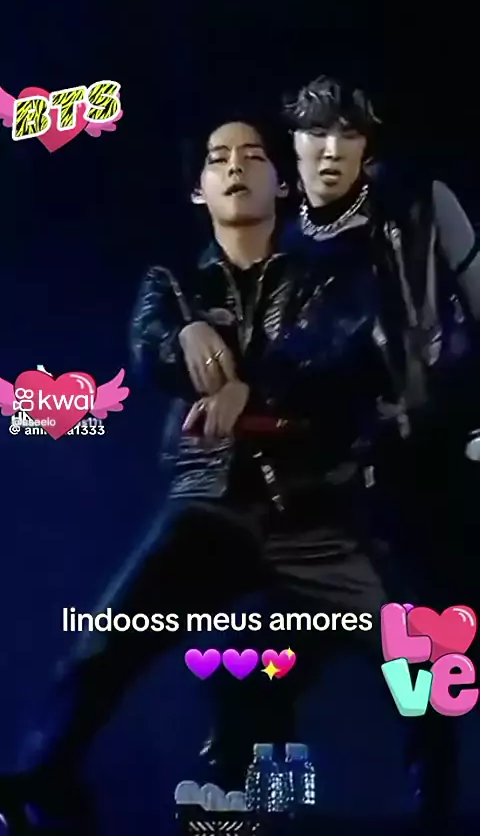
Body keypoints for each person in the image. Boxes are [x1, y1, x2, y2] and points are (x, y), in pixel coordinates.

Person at [0, 112, 458, 834]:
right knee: (105, 643)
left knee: (419, 659)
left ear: (284, 182)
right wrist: (185, 332)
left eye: (253, 155)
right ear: (200, 188)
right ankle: (37, 788)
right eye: (220, 158)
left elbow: (334, 348)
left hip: (315, 508)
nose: (236, 167)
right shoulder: (174, 284)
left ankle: (437, 809)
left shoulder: (330, 274)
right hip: (211, 501)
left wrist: (255, 387)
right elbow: (150, 346)